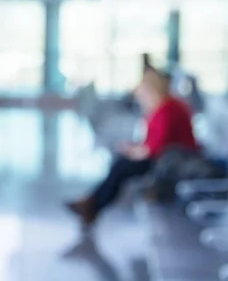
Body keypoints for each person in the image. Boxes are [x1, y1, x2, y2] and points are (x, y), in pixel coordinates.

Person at [66, 68, 197, 226]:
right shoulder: (162, 106)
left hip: (174, 160)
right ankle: (92, 203)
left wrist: (135, 151)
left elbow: (156, 148)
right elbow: (153, 141)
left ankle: (92, 204)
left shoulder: (167, 109)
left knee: (122, 166)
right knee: (121, 164)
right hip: (166, 156)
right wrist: (134, 148)